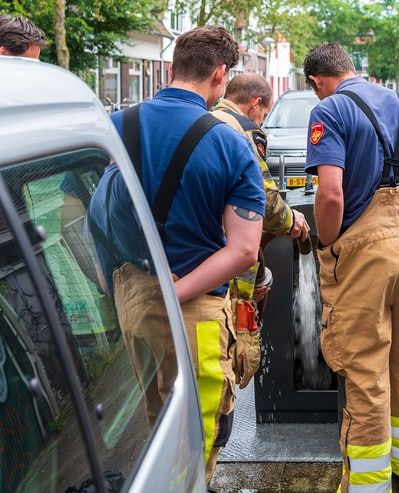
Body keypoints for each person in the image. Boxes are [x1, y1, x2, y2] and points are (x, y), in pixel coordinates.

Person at [89, 26, 265, 482]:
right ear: (221, 75)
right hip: (195, 313)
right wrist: (176, 290)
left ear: (170, 68)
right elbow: (244, 250)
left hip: (131, 304)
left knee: (154, 430)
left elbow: (90, 210)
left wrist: (113, 281)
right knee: (195, 441)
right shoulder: (231, 144)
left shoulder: (115, 128)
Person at [304, 43, 399, 493]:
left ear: (317, 82)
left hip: (362, 250)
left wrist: (327, 242)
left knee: (365, 367)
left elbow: (331, 195)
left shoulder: (330, 112)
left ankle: (367, 486)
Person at [211, 73, 310, 387]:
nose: (263, 120)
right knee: (240, 337)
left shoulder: (207, 120)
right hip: (231, 252)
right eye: (265, 114)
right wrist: (291, 221)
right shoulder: (242, 131)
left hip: (206, 250)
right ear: (255, 104)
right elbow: (264, 196)